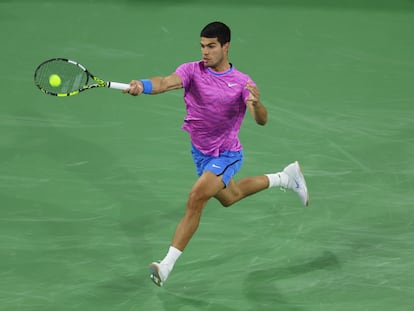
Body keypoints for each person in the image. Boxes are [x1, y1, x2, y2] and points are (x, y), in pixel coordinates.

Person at [124, 21, 309, 287]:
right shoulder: (191, 71)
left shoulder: (242, 83)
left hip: (226, 155)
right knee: (230, 197)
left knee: (196, 197)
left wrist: (257, 105)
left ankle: (165, 266)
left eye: (211, 46)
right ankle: (286, 177)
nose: (205, 52)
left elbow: (262, 120)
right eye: (202, 46)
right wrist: (143, 85)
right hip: (200, 154)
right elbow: (165, 82)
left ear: (226, 47)